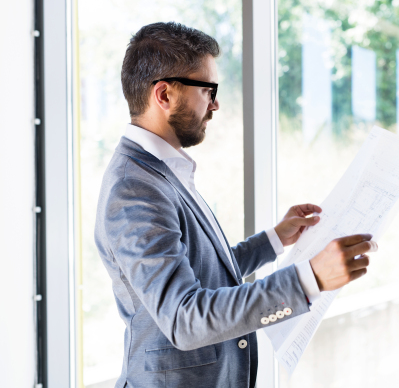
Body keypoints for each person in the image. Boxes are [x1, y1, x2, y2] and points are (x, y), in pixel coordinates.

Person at [94, 21, 377, 388]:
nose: (215, 104)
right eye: (208, 90)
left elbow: (201, 272)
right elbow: (184, 318)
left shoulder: (162, 170)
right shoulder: (135, 188)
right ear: (163, 95)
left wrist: (274, 240)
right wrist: (308, 279)